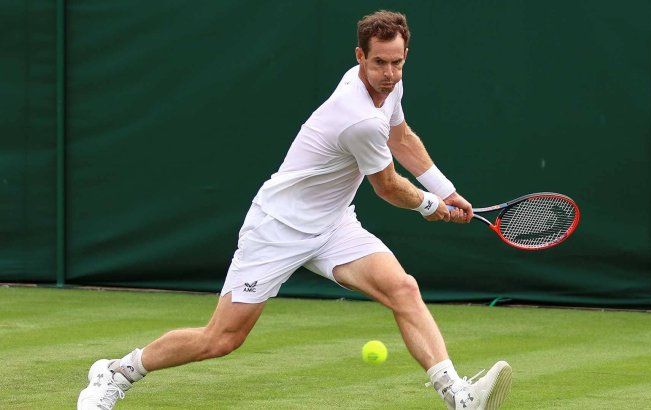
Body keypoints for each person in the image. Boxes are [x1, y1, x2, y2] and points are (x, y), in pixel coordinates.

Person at [77, 10, 512, 410]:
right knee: (222, 338)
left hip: (334, 223)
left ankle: (458, 396)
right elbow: (387, 186)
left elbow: (401, 140)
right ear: (360, 56)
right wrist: (430, 206)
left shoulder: (390, 87)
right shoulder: (357, 117)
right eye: (379, 62)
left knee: (403, 289)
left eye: (397, 62)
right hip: (278, 227)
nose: (389, 73)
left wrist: (445, 189)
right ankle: (115, 373)